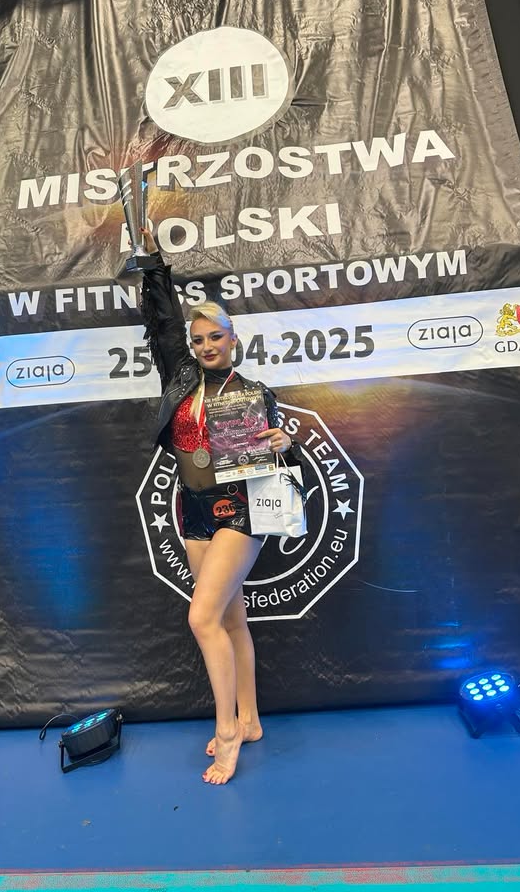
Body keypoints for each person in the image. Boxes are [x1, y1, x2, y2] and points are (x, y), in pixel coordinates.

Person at [139, 230, 293, 785]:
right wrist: (155, 267)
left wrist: (285, 443)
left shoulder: (253, 392)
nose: (206, 346)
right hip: (193, 510)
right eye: (198, 338)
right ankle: (249, 719)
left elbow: (276, 455)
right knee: (230, 619)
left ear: (233, 339)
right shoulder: (180, 376)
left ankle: (227, 732)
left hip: (238, 511)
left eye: (216, 337)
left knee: (201, 618)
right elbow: (161, 324)